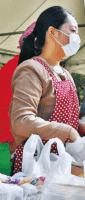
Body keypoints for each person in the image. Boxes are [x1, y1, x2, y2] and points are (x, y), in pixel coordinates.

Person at [9, 6, 85, 175]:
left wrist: (81, 126)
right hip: (36, 169)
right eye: (73, 31)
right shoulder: (31, 70)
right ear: (52, 32)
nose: (77, 38)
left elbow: (65, 117)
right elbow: (21, 121)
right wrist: (66, 131)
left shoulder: (65, 73)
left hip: (61, 164)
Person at [0, 22, 36, 155]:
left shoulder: (37, 68)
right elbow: (3, 105)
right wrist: (12, 139)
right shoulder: (14, 67)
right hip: (19, 139)